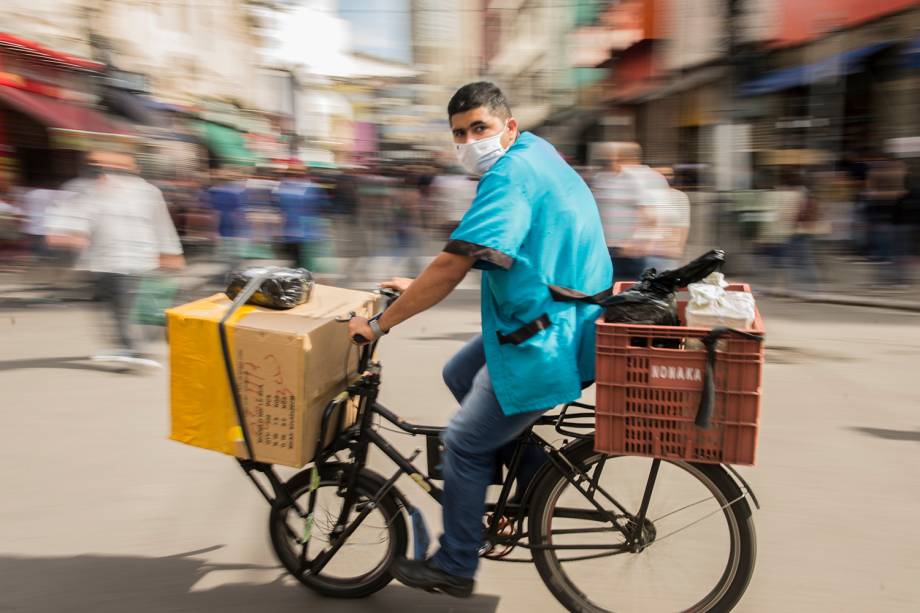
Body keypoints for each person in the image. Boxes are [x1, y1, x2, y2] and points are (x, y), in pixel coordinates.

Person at [348, 82, 611, 597]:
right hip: (562, 319)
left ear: (508, 126)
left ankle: (456, 563)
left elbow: (451, 265)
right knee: (458, 373)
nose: (469, 142)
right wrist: (416, 286)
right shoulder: (538, 152)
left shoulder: (509, 177)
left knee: (464, 443)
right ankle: (535, 487)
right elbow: (487, 251)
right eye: (459, 134)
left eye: (479, 129)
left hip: (546, 339)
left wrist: (379, 324)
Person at [44, 150, 185, 366]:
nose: (109, 172)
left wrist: (171, 251)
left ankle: (132, 346)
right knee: (113, 305)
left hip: (138, 259)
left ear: (132, 170)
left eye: (118, 168)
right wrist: (69, 234)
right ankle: (129, 345)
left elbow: (161, 223)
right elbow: (75, 220)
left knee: (129, 305)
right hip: (104, 261)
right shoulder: (85, 190)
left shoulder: (147, 191)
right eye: (102, 167)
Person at [591, 142, 669, 281]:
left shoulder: (635, 178)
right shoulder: (603, 178)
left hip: (631, 251)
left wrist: (635, 242)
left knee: (628, 290)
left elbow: (649, 215)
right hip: (611, 248)